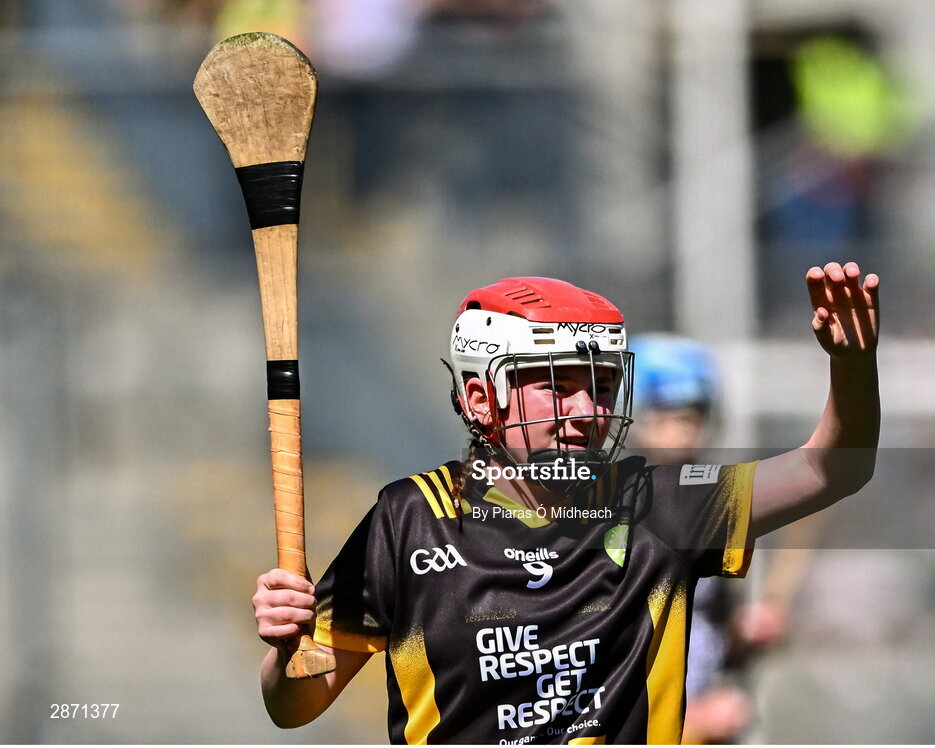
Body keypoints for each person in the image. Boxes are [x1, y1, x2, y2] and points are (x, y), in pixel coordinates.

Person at [253, 263, 880, 744]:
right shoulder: (407, 520)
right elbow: (294, 706)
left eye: (602, 386)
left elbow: (832, 468)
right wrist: (288, 651)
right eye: (559, 385)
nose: (586, 412)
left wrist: (851, 367)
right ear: (480, 398)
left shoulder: (660, 508)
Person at [629, 334, 787, 744]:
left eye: (695, 415)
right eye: (671, 414)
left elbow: (705, 634)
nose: (687, 432)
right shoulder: (610, 520)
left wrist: (742, 635)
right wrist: (691, 723)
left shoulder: (709, 512)